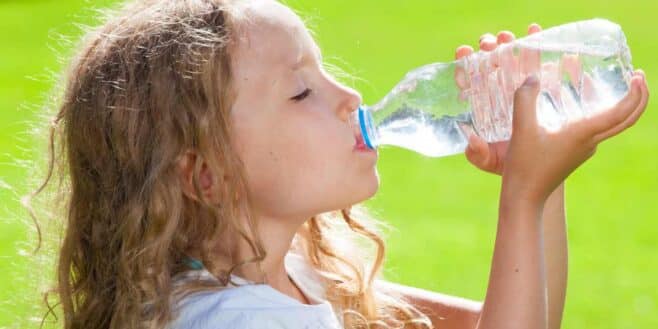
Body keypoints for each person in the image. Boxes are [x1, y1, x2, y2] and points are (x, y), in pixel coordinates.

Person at [29, 0, 649, 328]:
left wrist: (541, 180)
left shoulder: (294, 277)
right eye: (300, 91)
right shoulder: (234, 323)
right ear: (206, 175)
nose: (349, 95)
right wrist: (522, 198)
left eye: (323, 70)